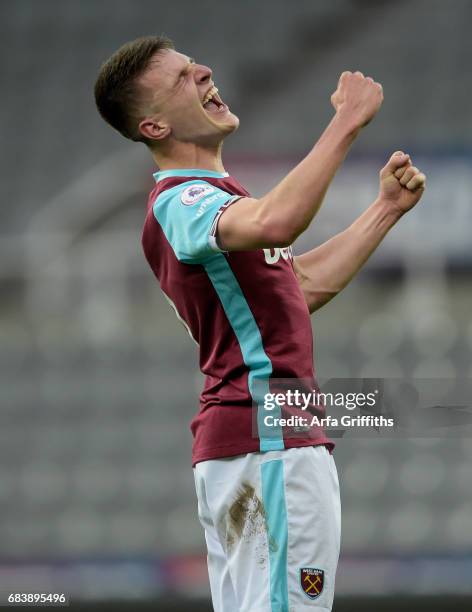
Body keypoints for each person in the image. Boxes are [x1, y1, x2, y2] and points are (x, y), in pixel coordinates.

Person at [94, 35, 425, 612]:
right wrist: (346, 122)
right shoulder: (182, 199)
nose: (203, 71)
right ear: (153, 128)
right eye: (181, 78)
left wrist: (383, 212)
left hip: (257, 447)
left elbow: (298, 289)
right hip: (265, 440)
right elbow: (279, 220)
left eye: (195, 64)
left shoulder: (216, 201)